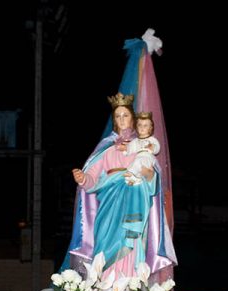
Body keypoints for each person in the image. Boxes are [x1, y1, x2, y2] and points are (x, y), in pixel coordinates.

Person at [65, 92, 176, 280]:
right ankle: (103, 281)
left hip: (133, 199)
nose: (122, 119)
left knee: (131, 240)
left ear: (132, 118)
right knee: (104, 241)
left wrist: (147, 174)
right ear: (114, 120)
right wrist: (83, 178)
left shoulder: (142, 146)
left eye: (125, 115)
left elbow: (152, 180)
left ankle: (129, 282)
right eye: (118, 116)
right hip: (108, 201)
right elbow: (93, 179)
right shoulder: (107, 147)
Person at [124, 111, 160, 183]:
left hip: (148, 157)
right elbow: (130, 149)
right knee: (135, 163)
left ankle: (132, 174)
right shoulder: (135, 141)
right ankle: (136, 179)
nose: (142, 127)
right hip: (139, 157)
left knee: (138, 162)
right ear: (136, 127)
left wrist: (153, 147)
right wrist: (126, 149)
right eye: (140, 125)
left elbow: (157, 148)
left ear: (150, 128)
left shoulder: (152, 139)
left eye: (145, 125)